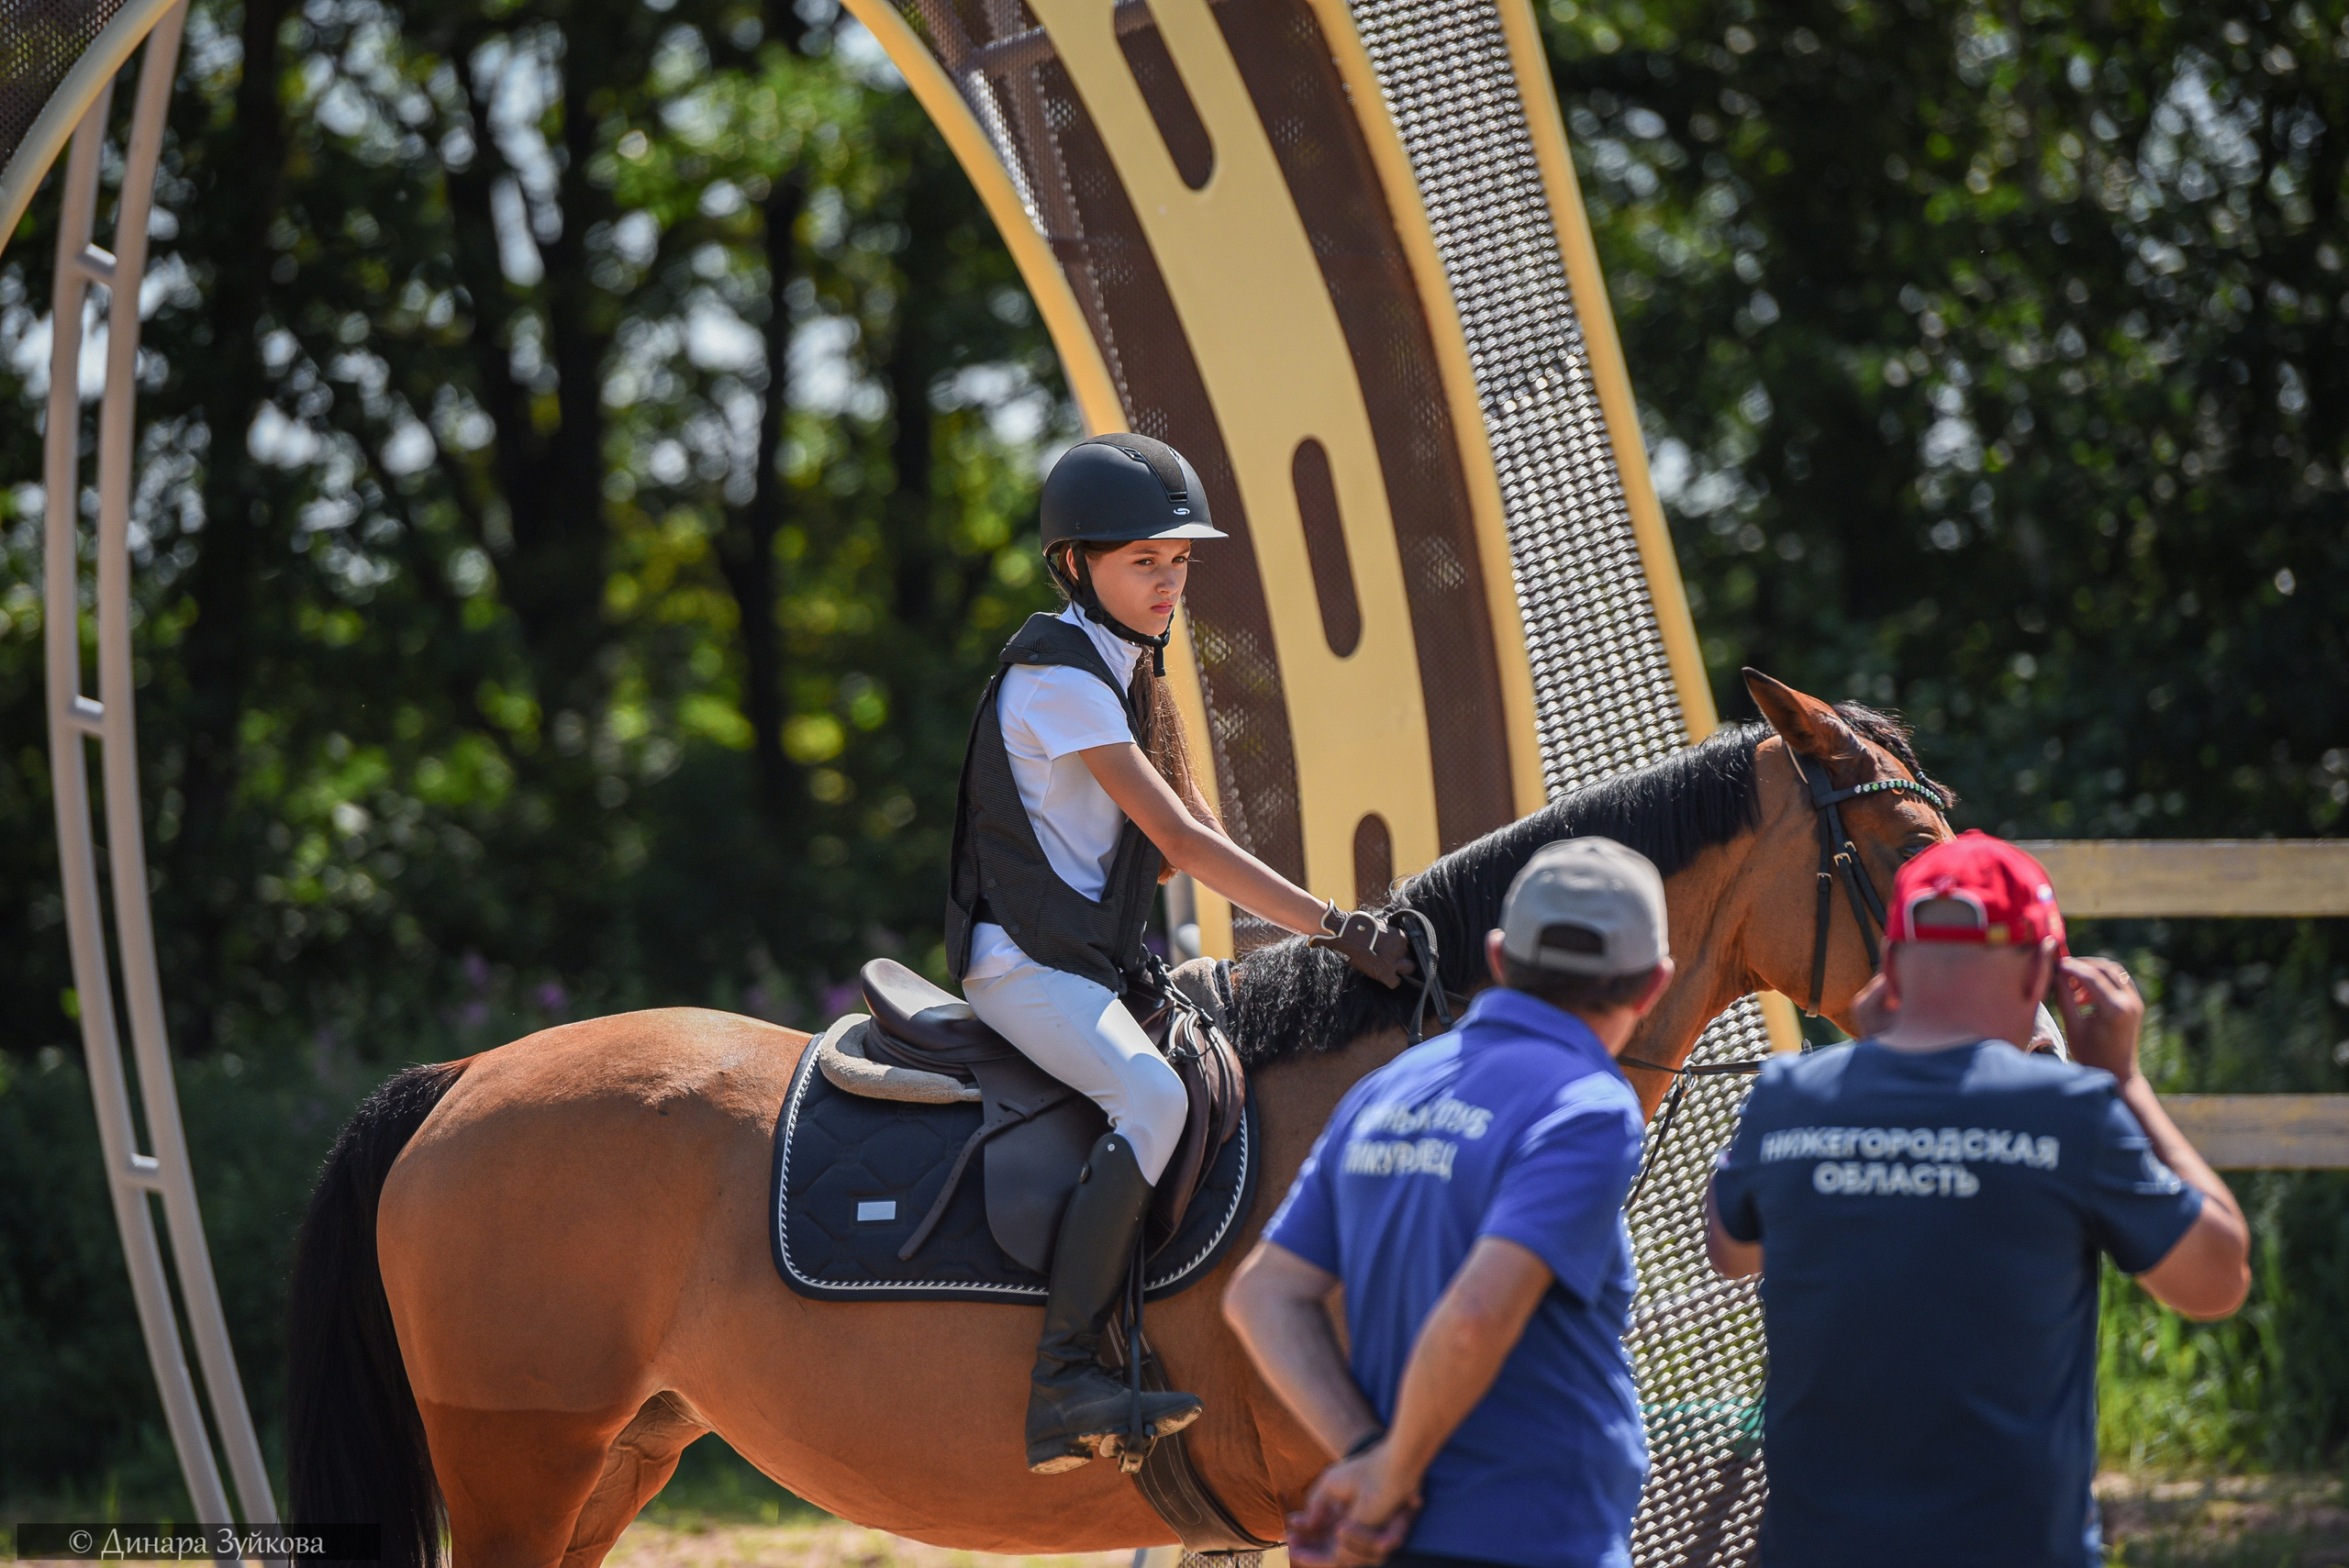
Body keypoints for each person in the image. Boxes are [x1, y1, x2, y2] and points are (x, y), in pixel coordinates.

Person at [946, 432, 1380, 1473]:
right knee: (1153, 1096)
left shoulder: (1125, 672)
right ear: (1075, 564)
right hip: (1022, 966)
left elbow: (1181, 848)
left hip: (1086, 963)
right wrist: (1333, 925)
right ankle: (1061, 1378)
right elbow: (1185, 845)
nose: (1166, 581)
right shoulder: (1061, 680)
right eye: (1143, 560)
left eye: (1179, 561)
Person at [1706, 830, 2251, 1568]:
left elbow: (1734, 1250)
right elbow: (2217, 1278)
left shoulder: (1786, 1098)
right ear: (2040, 973)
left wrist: (1869, 1076)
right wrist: (2125, 1083)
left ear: (1891, 969)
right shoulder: (2072, 1112)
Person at [1222, 838, 1677, 1568]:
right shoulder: (1587, 1105)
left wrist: (1370, 1457)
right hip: (1538, 1536)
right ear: (1653, 983)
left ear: (1498, 956)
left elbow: (1263, 1294)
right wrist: (1386, 1476)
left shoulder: (1389, 1088)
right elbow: (1473, 1317)